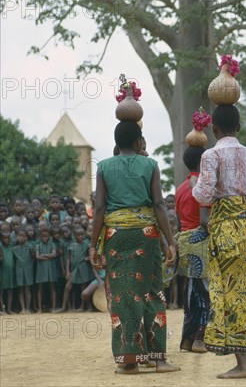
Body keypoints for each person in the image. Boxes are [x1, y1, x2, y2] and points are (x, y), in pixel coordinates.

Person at [192, 105, 246, 379]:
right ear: (239, 128)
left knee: (230, 292)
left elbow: (203, 195)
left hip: (228, 228)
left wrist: (199, 187)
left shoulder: (211, 155)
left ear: (214, 129)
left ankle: (244, 365)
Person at [89, 120, 180, 373]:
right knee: (152, 293)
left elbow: (99, 209)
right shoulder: (150, 165)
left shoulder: (104, 167)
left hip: (115, 236)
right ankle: (159, 359)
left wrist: (93, 246)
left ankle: (130, 362)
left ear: (116, 143)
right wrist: (170, 242)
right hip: (146, 236)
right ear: (139, 141)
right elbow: (159, 206)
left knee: (122, 295)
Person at [174, 145, 211, 353]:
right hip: (201, 240)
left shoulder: (180, 188)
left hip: (185, 241)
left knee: (192, 291)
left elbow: (179, 221)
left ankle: (187, 340)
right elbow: (206, 219)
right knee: (205, 292)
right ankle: (200, 339)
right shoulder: (202, 186)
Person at [66, 226, 95, 311]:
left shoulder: (86, 243)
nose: (80, 237)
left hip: (83, 268)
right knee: (68, 286)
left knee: (84, 287)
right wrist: (67, 271)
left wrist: (88, 258)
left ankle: (86, 307)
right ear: (74, 236)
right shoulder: (71, 245)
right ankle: (67, 307)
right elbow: (68, 259)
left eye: (82, 235)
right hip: (73, 269)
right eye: (78, 235)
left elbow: (92, 252)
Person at [35, 227, 58, 312]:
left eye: (46, 236)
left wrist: (43, 255)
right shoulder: (37, 245)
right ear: (40, 237)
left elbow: (54, 254)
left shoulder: (52, 244)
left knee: (52, 288)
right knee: (40, 288)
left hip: (50, 269)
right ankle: (40, 309)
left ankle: (54, 308)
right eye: (42, 236)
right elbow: (37, 257)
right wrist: (49, 256)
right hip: (41, 269)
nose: (44, 238)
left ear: (49, 237)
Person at [13, 229, 34, 314]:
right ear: (17, 237)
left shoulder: (30, 247)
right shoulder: (14, 249)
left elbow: (34, 259)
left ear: (26, 238)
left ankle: (28, 308)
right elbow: (14, 261)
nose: (21, 238)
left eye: (23, 236)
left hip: (28, 270)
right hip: (19, 271)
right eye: (20, 236)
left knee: (27, 289)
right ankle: (23, 308)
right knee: (20, 289)